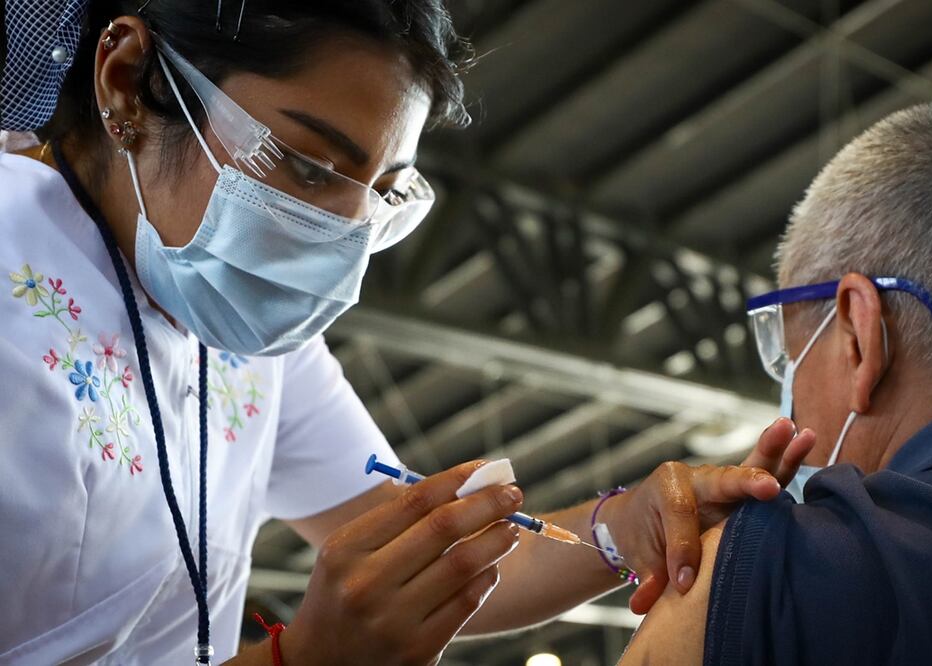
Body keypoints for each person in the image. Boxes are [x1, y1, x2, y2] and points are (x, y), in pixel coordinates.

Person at [0, 2, 817, 664]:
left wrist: (626, 526)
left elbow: (437, 561)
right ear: (126, 81)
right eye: (307, 168)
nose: (335, 245)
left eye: (378, 197)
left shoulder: (242, 333)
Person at [619, 100, 932, 665]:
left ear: (859, 335)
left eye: (791, 354)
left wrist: (736, 567)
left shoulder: (784, 579)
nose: (790, 391)